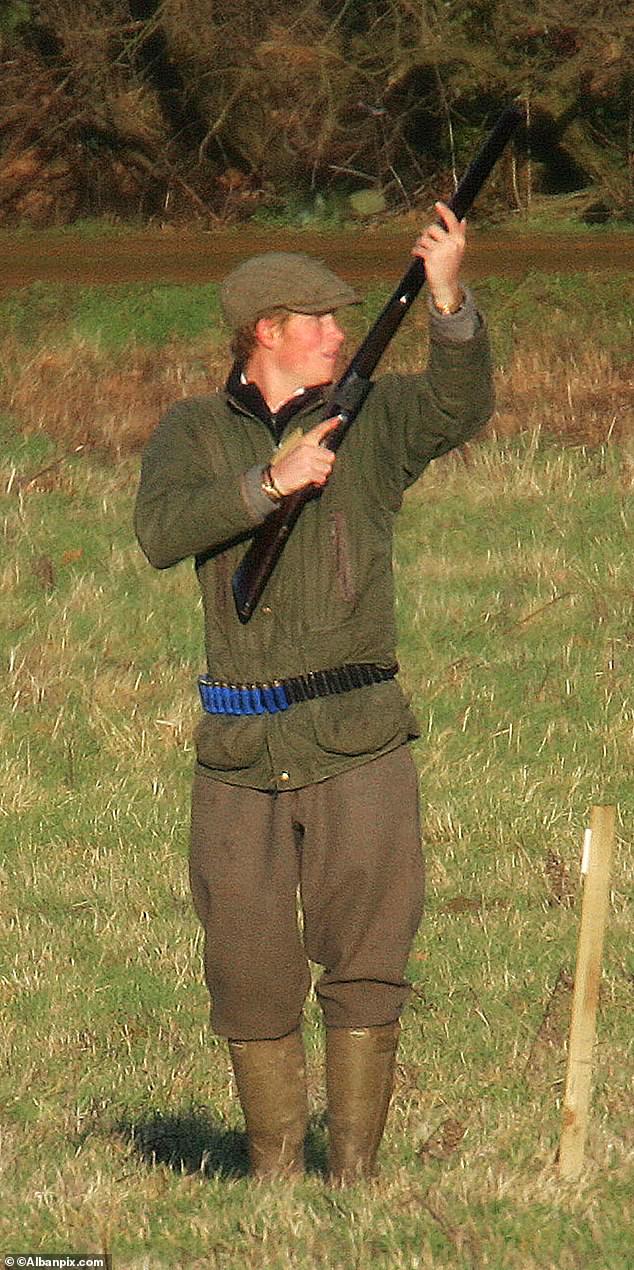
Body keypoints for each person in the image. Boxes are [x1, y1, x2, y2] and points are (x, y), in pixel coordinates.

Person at [134, 204, 494, 1183]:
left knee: (370, 956)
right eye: (320, 319)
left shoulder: (374, 421)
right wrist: (269, 483)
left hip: (361, 734)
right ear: (265, 331)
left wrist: (450, 295)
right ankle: (275, 1179)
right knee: (248, 970)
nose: (339, 331)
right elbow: (160, 531)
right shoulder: (193, 431)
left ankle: (355, 1179)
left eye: (344, 318)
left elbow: (460, 406)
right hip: (240, 750)